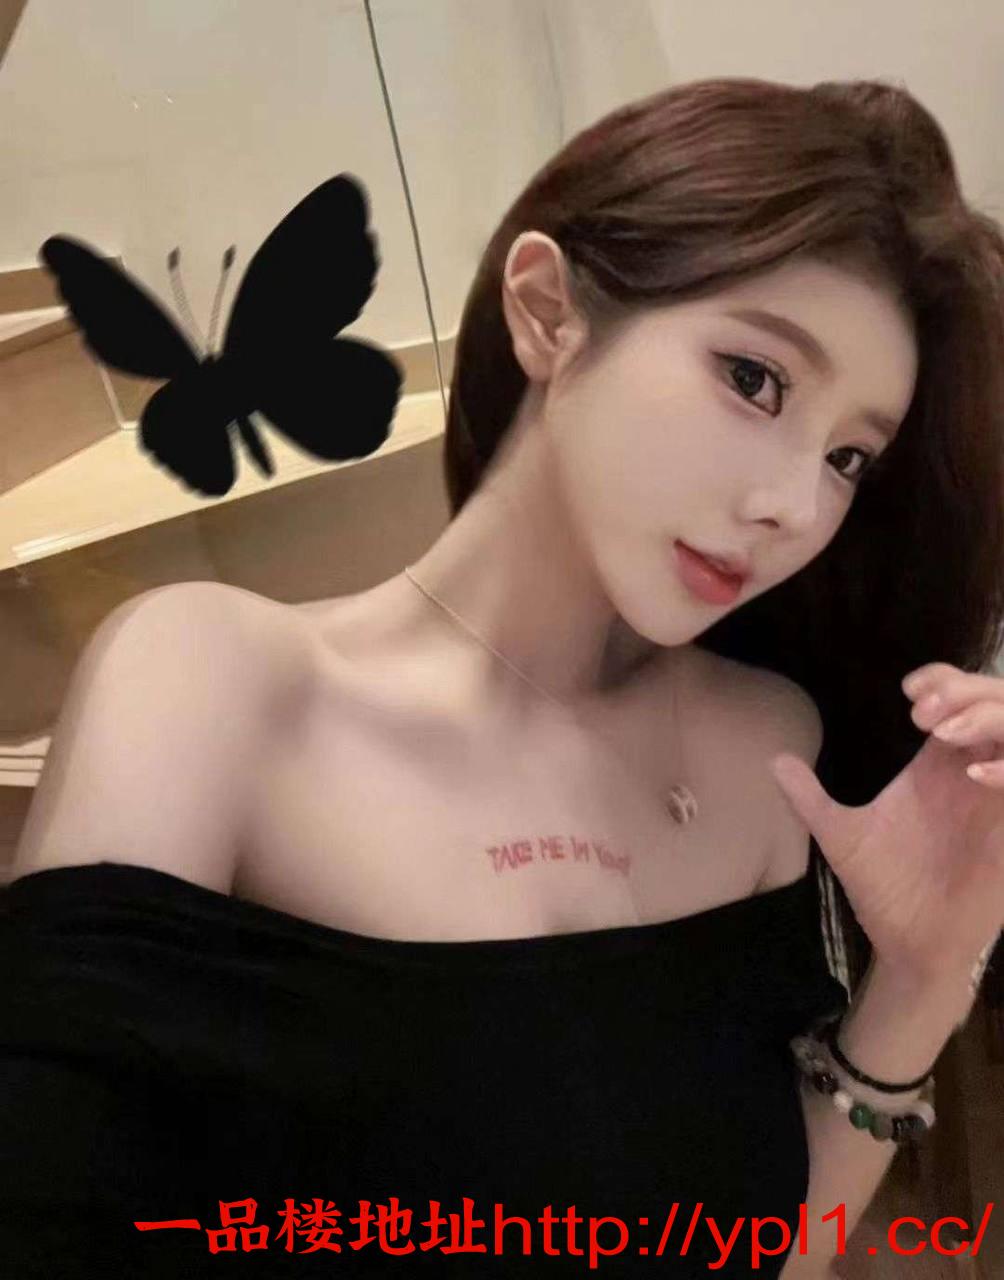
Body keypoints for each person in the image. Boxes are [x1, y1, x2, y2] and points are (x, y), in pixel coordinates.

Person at [3, 75, 1003, 1279]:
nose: (792, 503)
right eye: (753, 378)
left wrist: (923, 976)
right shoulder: (213, 687)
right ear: (545, 311)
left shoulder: (762, 749)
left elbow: (760, 1252)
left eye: (847, 456)